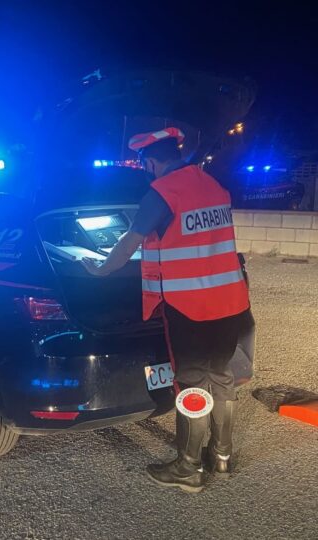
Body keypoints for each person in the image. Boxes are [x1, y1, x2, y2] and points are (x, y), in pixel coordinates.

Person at [81, 127, 252, 493]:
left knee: (191, 382)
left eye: (145, 164)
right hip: (231, 303)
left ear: (151, 161)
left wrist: (98, 270)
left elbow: (127, 247)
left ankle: (188, 468)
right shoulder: (213, 186)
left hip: (189, 308)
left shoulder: (162, 194)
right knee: (220, 377)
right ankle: (221, 456)